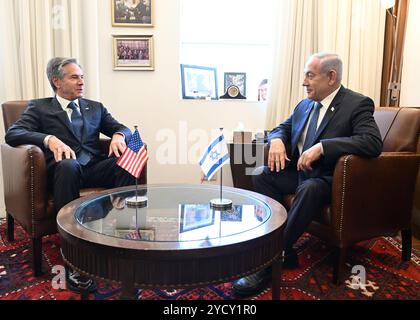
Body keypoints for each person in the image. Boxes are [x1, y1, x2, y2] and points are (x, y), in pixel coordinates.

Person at [232, 52, 383, 297]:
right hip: (301, 174)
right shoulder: (304, 105)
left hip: (330, 179)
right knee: (261, 173)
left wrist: (324, 147)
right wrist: (278, 140)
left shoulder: (357, 103)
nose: (304, 82)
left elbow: (372, 142)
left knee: (310, 187)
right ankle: (284, 247)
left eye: (310, 76)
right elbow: (281, 128)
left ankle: (269, 259)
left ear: (331, 77)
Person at [5, 57, 138, 293]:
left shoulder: (94, 106)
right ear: (57, 81)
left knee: (127, 159)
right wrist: (48, 139)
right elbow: (13, 134)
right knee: (68, 165)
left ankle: (122, 239)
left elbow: (123, 127)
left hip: (94, 168)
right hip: (63, 173)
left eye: (82, 77)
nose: (81, 82)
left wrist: (119, 135)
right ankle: (73, 256)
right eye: (74, 77)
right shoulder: (39, 107)